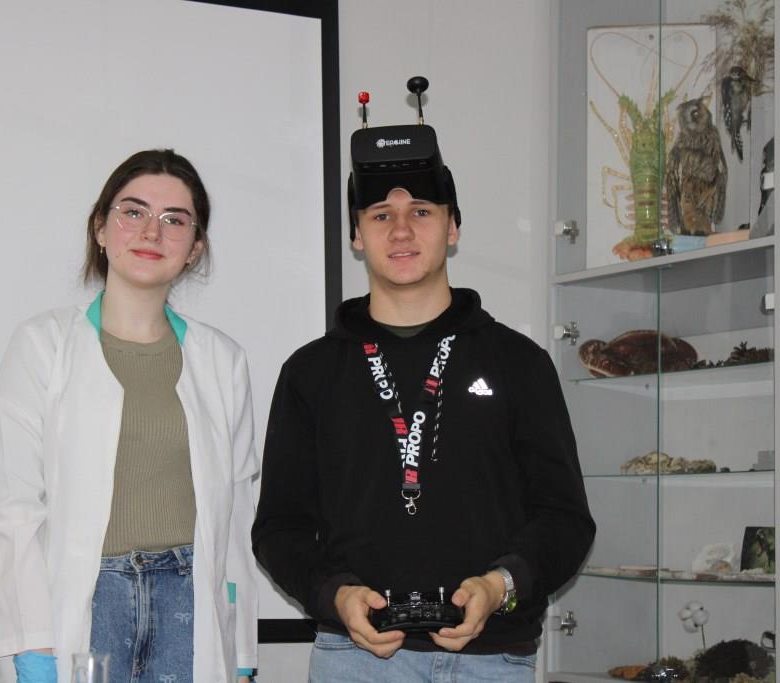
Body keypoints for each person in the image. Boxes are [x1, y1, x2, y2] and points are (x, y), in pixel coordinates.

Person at [252, 112, 595, 682]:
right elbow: (279, 529)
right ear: (357, 235)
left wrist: (500, 585)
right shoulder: (310, 373)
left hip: (492, 662)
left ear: (452, 227)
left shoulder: (518, 363)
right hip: (354, 662)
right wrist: (335, 595)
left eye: (421, 212)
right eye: (380, 215)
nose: (401, 231)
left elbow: (565, 519)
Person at [0, 149, 259, 683]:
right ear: (100, 229)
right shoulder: (41, 346)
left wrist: (240, 649)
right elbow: (11, 512)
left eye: (175, 220)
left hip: (188, 608)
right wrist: (33, 645)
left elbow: (236, 514)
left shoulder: (223, 361)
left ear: (195, 248)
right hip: (85, 609)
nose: (152, 232)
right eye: (133, 212)